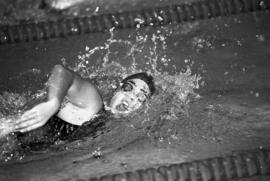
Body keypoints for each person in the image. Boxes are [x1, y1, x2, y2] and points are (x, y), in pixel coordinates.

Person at [14, 64, 155, 140]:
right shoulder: (93, 105)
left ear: (142, 109)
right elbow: (61, 71)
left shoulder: (111, 129)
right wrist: (53, 104)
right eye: (128, 88)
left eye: (140, 97)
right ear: (117, 89)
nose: (131, 97)